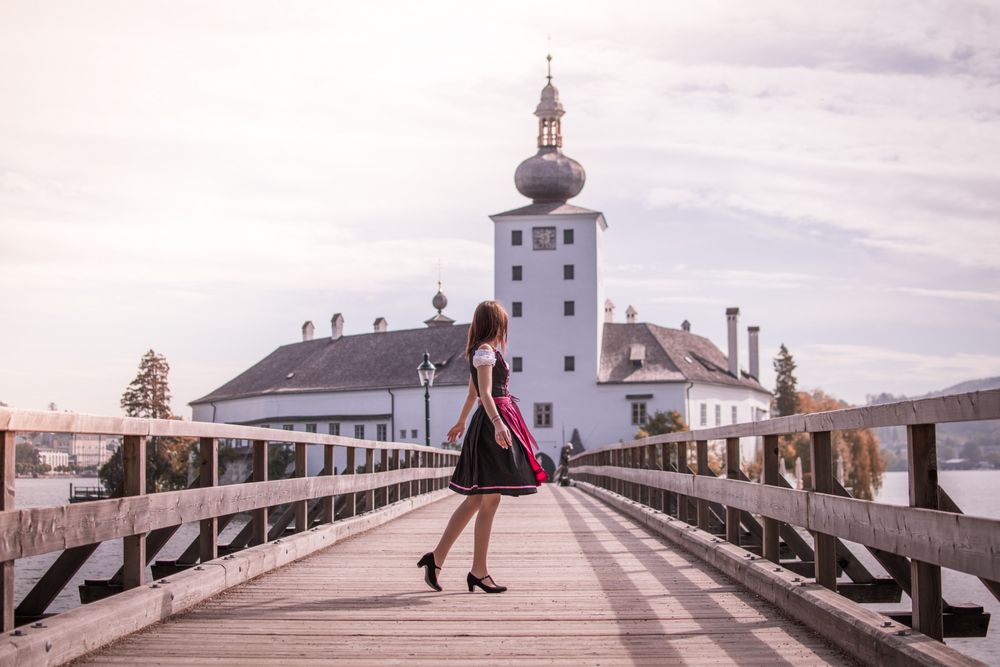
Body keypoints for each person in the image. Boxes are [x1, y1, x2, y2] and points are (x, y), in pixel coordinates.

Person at [418, 300, 547, 594]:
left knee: (480, 499)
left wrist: (461, 422)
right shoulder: (487, 352)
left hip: (486, 423)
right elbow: (485, 394)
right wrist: (499, 423)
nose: (506, 328)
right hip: (492, 424)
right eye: (503, 322)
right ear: (496, 324)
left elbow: (471, 394)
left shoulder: (480, 352)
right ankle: (475, 570)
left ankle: (439, 559)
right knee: (486, 500)